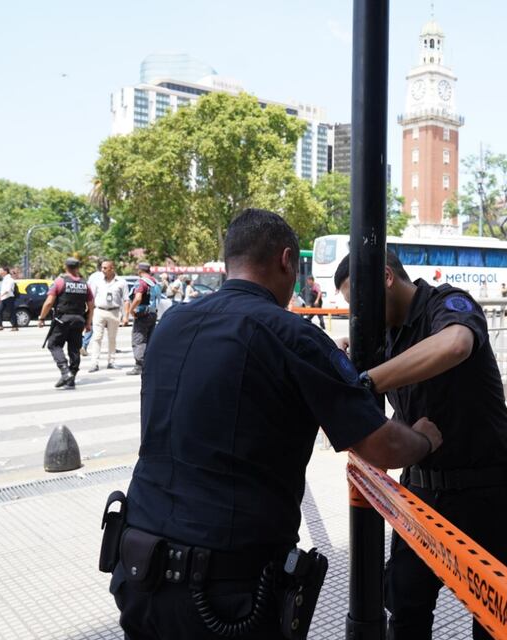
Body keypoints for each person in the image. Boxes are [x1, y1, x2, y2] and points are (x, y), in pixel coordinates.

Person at [107, 209, 442, 640]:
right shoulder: (293, 336)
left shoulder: (172, 324)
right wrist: (425, 440)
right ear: (287, 261)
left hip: (137, 571)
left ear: (230, 260)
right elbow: (383, 448)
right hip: (225, 598)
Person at [334, 251, 507, 640]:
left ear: (387, 277)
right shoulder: (388, 336)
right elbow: (402, 415)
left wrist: (368, 380)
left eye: (357, 300)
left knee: (498, 615)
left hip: (485, 494)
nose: (358, 313)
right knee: (407, 606)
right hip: (422, 493)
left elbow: (456, 344)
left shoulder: (445, 303)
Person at [38, 257, 94, 389]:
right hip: (79, 320)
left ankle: (65, 371)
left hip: (62, 319)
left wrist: (41, 317)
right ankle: (71, 377)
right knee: (74, 349)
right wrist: (88, 323)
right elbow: (91, 306)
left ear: (66, 267)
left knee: (54, 345)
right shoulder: (85, 284)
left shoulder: (60, 281)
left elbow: (49, 302)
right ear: (78, 267)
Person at [88, 260, 130, 372]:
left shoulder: (121, 282)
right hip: (99, 311)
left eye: (105, 268)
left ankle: (111, 361)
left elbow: (126, 300)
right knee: (97, 337)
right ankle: (94, 363)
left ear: (112, 268)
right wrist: (89, 314)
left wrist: (126, 316)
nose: (102, 270)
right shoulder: (97, 281)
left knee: (112, 338)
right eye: (102, 267)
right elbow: (91, 298)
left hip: (114, 312)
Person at [126, 263, 158, 376]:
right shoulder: (154, 281)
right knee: (149, 340)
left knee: (139, 340)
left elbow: (138, 298)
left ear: (139, 271)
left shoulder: (141, 282)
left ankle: (139, 366)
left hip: (142, 314)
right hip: (153, 313)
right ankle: (149, 364)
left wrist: (131, 309)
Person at [0, 266, 18, 331]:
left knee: (12, 312)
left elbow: (8, 290)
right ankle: (0, 325)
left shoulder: (10, 279)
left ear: (5, 272)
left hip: (9, 298)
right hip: (4, 298)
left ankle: (15, 326)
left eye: (0, 270)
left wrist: (0, 297)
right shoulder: (5, 279)